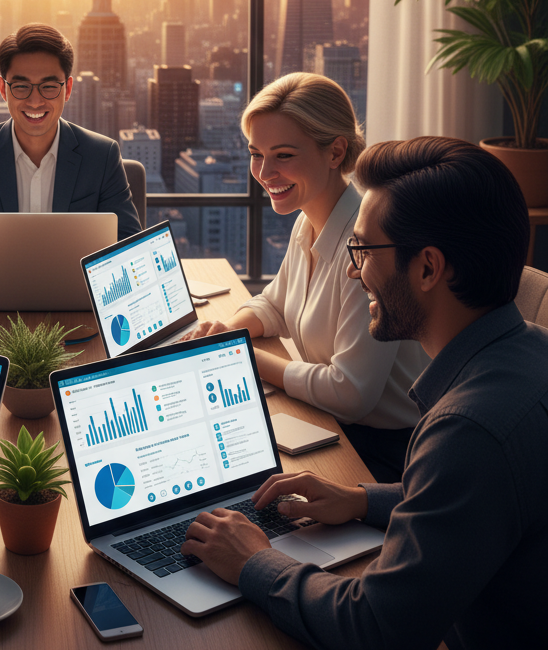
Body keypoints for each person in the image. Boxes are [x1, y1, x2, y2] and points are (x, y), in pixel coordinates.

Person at [180, 136, 546, 649]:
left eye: (363, 251)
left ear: (427, 268)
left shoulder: (468, 430)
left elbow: (375, 627)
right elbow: (475, 500)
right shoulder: (533, 352)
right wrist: (358, 500)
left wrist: (254, 562)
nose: (353, 271)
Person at [182, 73, 427, 482]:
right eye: (256, 154)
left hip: (385, 458)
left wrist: (241, 355)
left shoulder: (365, 247)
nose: (263, 172)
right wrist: (224, 331)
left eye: (283, 156)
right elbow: (274, 305)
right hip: (337, 428)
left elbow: (350, 393)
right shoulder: (310, 220)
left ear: (335, 152)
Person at [0, 23, 141, 240]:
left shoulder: (102, 156)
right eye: (21, 86)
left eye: (48, 87)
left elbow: (129, 246)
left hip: (72, 276)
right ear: (3, 89)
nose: (35, 101)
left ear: (67, 89)